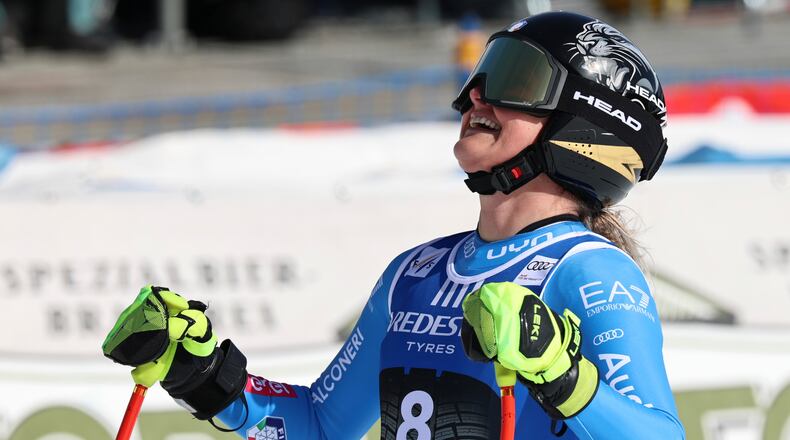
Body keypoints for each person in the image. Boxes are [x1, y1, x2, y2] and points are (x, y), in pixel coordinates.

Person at [103, 11, 685, 440]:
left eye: (517, 80)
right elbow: (322, 425)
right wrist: (204, 376)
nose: (475, 96)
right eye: (481, 75)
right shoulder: (417, 272)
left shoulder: (591, 271)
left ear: (585, 125)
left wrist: (561, 373)